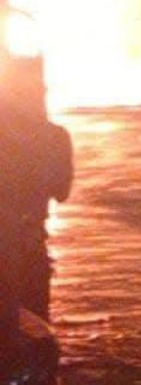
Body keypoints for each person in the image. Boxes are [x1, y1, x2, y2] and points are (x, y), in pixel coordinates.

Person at [0, 94, 73, 323]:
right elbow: (62, 192)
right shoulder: (55, 137)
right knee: (35, 323)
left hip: (14, 243)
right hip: (31, 243)